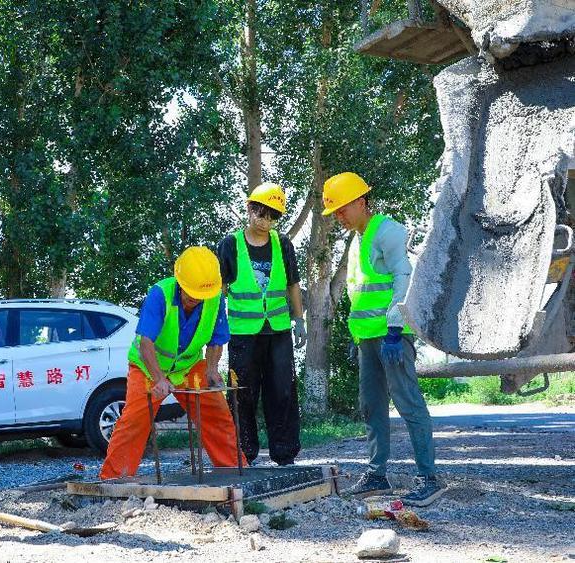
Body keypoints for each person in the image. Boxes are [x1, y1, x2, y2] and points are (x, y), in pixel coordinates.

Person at [322, 171, 444, 507]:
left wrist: (393, 330)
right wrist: (358, 336)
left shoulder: (387, 231)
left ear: (361, 202)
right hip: (369, 339)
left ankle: (429, 478)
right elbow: (361, 293)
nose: (338, 216)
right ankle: (377, 474)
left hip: (392, 338)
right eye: (334, 212)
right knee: (371, 406)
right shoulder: (356, 239)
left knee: (408, 403)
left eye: (342, 209)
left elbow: (403, 278)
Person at [100, 246, 246, 479]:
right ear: (180, 282)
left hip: (190, 366)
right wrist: (158, 378)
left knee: (217, 415)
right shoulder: (160, 294)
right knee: (134, 423)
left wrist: (211, 369)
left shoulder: (214, 297)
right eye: (191, 294)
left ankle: (235, 473)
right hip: (148, 367)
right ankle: (113, 480)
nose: (196, 300)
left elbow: (216, 340)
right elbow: (146, 341)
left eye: (200, 296)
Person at [217, 183, 306, 466]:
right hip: (243, 334)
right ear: (249, 208)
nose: (265, 220)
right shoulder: (230, 244)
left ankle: (285, 452)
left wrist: (300, 319)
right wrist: (216, 325)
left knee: (282, 391)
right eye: (260, 213)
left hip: (278, 331)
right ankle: (244, 453)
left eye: (272, 216)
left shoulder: (283, 244)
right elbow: (220, 289)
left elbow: (293, 284)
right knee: (242, 393)